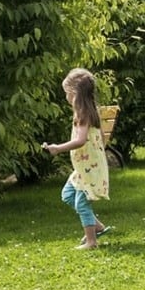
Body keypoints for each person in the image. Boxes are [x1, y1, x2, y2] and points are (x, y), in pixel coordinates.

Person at [42, 68, 112, 250]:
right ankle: (96, 226)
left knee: (81, 203)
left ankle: (91, 241)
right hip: (84, 167)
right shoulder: (90, 111)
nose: (66, 97)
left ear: (75, 93)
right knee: (68, 195)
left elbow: (80, 140)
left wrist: (58, 148)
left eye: (66, 93)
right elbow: (102, 138)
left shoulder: (83, 114)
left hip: (89, 167)